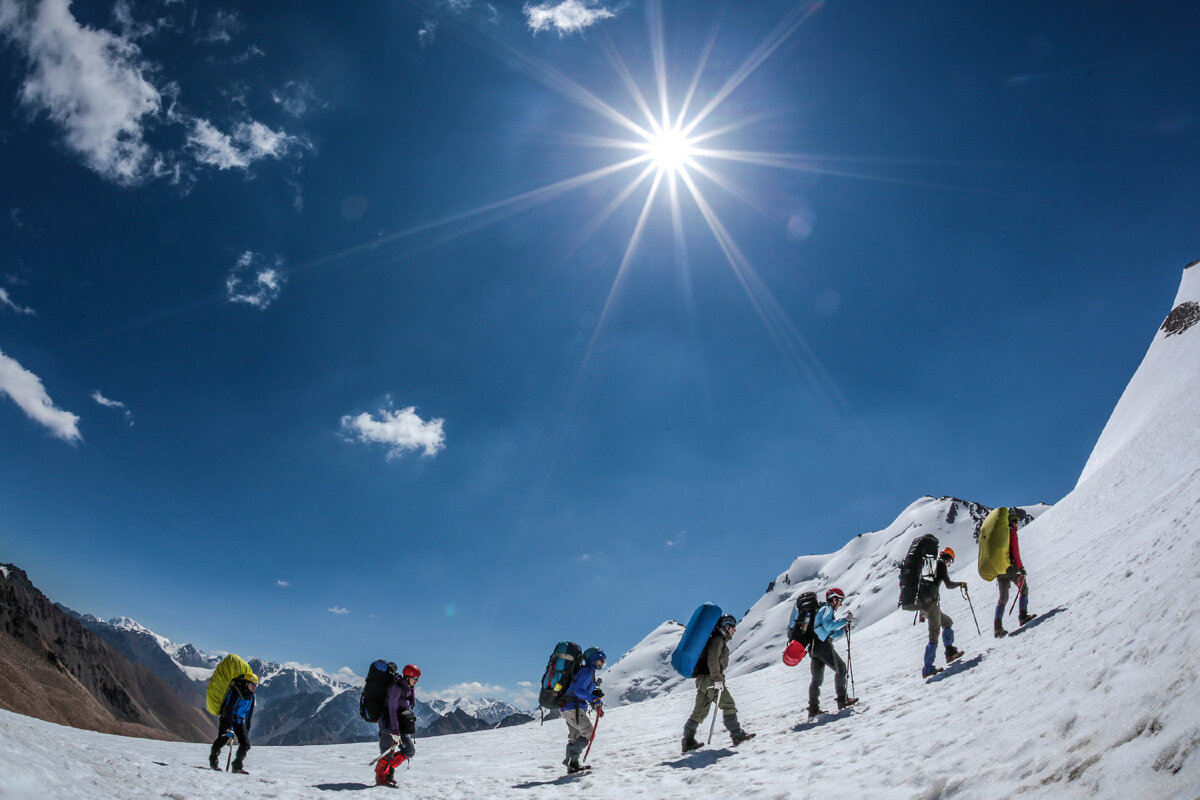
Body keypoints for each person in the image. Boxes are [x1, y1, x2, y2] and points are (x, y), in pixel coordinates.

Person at [682, 614, 755, 753]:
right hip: (711, 679)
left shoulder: (716, 639)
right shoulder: (718, 639)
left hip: (703, 680)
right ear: (726, 627)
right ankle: (737, 734)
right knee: (728, 704)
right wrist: (717, 679)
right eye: (732, 628)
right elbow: (713, 660)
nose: (734, 631)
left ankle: (688, 741)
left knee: (699, 712)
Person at [808, 588, 858, 717]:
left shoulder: (822, 611)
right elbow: (829, 626)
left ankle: (813, 709)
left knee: (816, 680)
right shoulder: (826, 609)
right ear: (834, 599)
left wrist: (842, 630)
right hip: (823, 646)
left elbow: (828, 632)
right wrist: (844, 620)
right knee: (841, 668)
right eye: (840, 600)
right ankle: (842, 700)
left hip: (814, 648)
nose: (840, 604)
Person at [919, 547, 966, 677]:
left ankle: (950, 652)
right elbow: (949, 584)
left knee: (947, 622)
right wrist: (960, 584)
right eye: (950, 561)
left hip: (925, 604)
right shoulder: (941, 565)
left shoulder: (931, 565)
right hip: (932, 604)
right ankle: (928, 668)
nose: (950, 564)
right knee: (934, 634)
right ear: (948, 558)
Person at [374, 664, 420, 788]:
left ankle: (388, 770)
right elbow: (392, 710)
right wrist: (394, 731)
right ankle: (381, 778)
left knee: (410, 750)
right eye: (414, 678)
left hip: (399, 725)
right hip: (388, 724)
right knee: (387, 753)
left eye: (417, 679)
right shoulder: (396, 688)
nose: (416, 681)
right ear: (407, 676)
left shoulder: (408, 689)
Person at [561, 648, 605, 773]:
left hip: (568, 705)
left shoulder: (588, 671)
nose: (602, 663)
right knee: (588, 733)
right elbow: (579, 692)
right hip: (572, 706)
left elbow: (583, 691)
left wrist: (595, 701)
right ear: (593, 659)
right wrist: (594, 699)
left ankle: (572, 766)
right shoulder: (587, 671)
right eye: (601, 660)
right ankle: (571, 760)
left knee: (575, 736)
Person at [994, 513, 1036, 638]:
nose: (1017, 524)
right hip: (1012, 568)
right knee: (1024, 589)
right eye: (1016, 522)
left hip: (1000, 571)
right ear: (1012, 523)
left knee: (1003, 599)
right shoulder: (1011, 534)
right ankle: (1023, 616)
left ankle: (998, 628)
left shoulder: (999, 537)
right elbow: (1015, 552)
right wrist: (1021, 568)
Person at [208, 675, 257, 774]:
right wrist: (229, 727)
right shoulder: (236, 691)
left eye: (256, 685)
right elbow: (229, 709)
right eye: (252, 684)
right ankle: (213, 760)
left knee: (246, 744)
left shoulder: (251, 696)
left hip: (239, 720)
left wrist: (247, 728)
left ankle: (237, 766)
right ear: (247, 683)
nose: (254, 687)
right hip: (227, 718)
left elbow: (249, 714)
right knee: (223, 739)